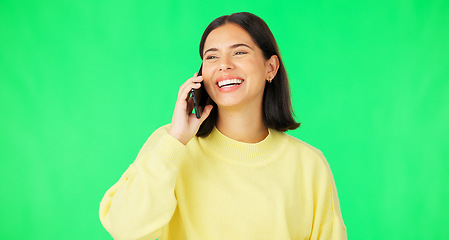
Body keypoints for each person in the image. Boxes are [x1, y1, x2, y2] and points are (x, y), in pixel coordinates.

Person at [99, 12, 347, 240]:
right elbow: (125, 229)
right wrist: (175, 141)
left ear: (270, 67)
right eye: (212, 56)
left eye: (239, 52)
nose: (223, 64)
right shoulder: (171, 145)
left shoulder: (309, 164)